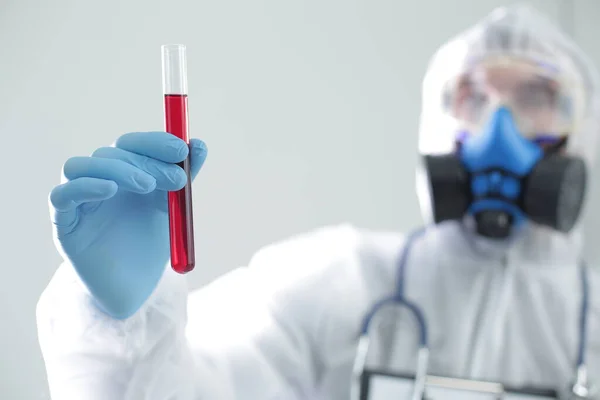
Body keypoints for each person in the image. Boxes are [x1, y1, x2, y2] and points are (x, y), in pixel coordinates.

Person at [37, 4, 600, 400]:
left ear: (581, 132)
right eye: (472, 96)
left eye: (536, 96)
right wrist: (123, 322)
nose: (498, 129)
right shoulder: (339, 284)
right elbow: (195, 388)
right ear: (435, 120)